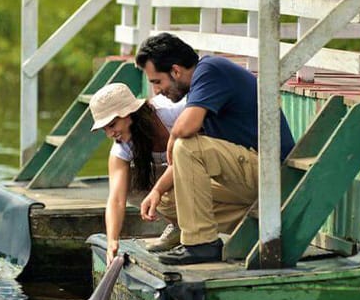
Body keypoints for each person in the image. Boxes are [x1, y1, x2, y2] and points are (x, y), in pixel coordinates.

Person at [135, 32, 295, 265]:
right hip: (249, 180)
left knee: (187, 146)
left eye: (157, 82)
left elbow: (187, 135)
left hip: (272, 174)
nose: (156, 91)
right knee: (168, 200)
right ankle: (258, 223)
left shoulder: (210, 70)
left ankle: (201, 243)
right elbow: (185, 159)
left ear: (176, 71)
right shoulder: (200, 91)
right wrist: (157, 191)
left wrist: (174, 137)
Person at [89, 82, 186, 265]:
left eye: (112, 125)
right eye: (105, 129)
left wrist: (158, 190)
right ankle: (178, 225)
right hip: (172, 180)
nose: (110, 134)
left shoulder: (172, 110)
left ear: (129, 113)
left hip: (195, 168)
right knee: (132, 186)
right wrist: (112, 240)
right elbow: (116, 199)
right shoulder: (122, 146)